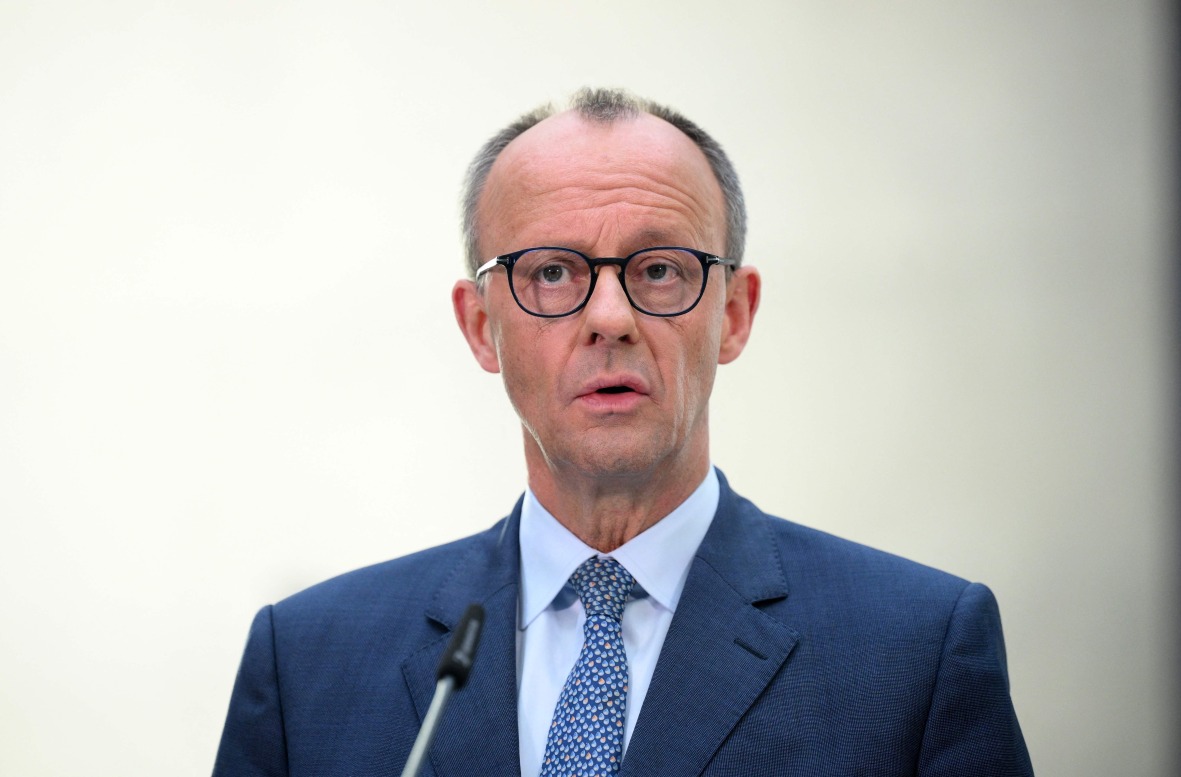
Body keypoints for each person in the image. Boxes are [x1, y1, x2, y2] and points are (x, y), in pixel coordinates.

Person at [213, 88, 1033, 776]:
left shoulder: (913, 654)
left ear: (735, 314)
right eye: (553, 272)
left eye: (660, 269)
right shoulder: (309, 665)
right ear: (478, 326)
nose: (610, 318)